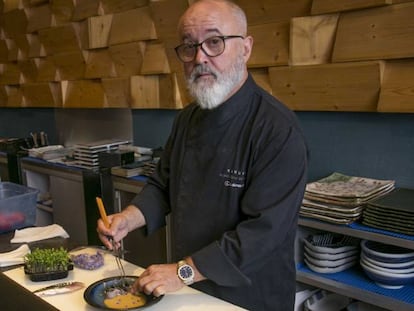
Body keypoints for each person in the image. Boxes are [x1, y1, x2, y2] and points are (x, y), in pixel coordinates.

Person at [97, 0, 308, 310]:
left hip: (248, 296)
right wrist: (127, 219)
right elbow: (163, 185)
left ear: (246, 48)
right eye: (189, 46)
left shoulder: (277, 130)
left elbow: (263, 233)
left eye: (214, 42)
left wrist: (183, 271)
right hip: (190, 288)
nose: (199, 57)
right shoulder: (187, 119)